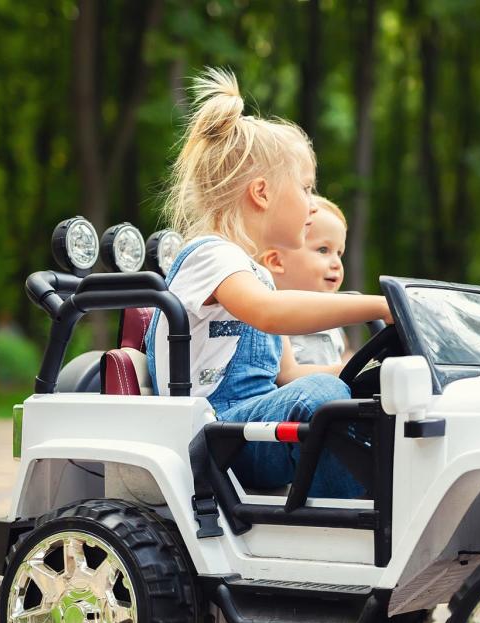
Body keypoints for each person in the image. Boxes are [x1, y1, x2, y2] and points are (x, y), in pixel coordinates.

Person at [145, 68, 389, 499]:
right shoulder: (211, 255)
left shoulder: (255, 274)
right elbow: (271, 315)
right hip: (217, 432)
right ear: (261, 193)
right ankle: (380, 501)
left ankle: (381, 502)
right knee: (323, 398)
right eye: (307, 189)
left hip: (253, 430)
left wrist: (370, 371)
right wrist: (378, 306)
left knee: (360, 395)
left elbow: (289, 373)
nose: (314, 205)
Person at [261, 196, 350, 366]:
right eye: (323, 250)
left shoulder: (333, 318)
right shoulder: (276, 318)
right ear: (277, 262)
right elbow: (287, 377)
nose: (337, 264)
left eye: (339, 253)